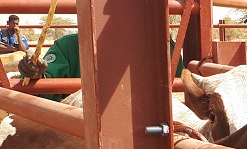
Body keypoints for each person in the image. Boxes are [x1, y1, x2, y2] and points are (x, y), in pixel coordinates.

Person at [17, 32, 186, 102]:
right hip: (81, 133)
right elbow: (44, 84)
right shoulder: (69, 46)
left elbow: (178, 96)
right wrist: (35, 74)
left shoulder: (161, 45)